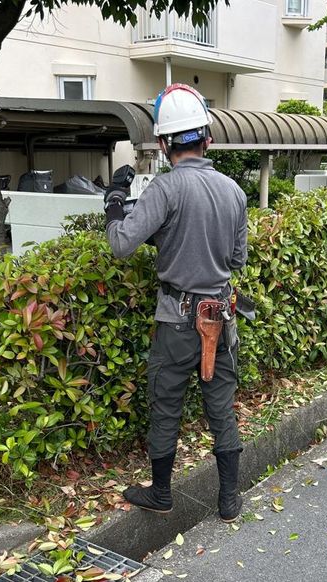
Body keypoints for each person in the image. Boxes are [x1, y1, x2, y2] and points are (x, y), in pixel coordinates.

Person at [104, 83, 247, 523]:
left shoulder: (165, 190)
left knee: (166, 406)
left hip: (178, 319)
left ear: (165, 144)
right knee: (220, 406)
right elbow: (236, 259)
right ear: (208, 138)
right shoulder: (234, 192)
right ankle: (228, 501)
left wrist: (113, 201)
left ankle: (161, 493)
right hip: (220, 318)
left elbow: (122, 244)